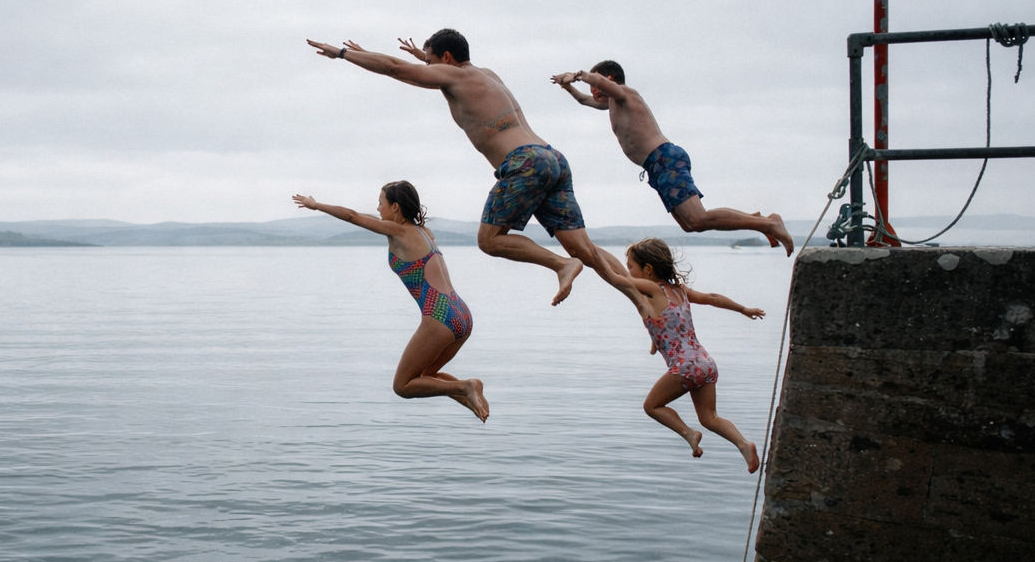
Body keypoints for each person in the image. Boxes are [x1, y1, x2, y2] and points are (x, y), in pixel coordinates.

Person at [307, 29, 637, 307]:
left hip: (524, 164)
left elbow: (394, 68)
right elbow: (412, 67)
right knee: (588, 249)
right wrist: (415, 58)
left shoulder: (454, 75)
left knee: (490, 241)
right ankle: (645, 302)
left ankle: (561, 265)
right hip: (550, 157)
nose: (428, 68)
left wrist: (342, 54)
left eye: (431, 60)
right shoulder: (487, 74)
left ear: (447, 58)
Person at [292, 181, 489, 422]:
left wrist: (317, 205)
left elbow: (354, 217)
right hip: (462, 314)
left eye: (380, 203)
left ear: (395, 207)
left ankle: (466, 387)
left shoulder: (399, 232)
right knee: (427, 376)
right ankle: (469, 394)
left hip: (439, 316)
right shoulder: (425, 232)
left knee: (403, 386)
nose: (377, 208)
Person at [552, 61, 795, 255]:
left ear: (609, 80)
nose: (592, 92)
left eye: (595, 86)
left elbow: (596, 82)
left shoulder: (624, 94)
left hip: (664, 159)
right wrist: (567, 87)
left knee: (698, 218)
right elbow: (584, 100)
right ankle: (756, 220)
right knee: (690, 225)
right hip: (656, 166)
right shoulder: (612, 104)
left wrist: (577, 75)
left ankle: (769, 224)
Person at [608, 237, 764, 472]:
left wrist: (589, 253)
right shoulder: (679, 291)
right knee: (710, 417)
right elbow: (711, 299)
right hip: (706, 364)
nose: (629, 272)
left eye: (631, 266)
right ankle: (743, 444)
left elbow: (615, 278)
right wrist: (743, 309)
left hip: (685, 367)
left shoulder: (653, 288)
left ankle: (689, 434)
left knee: (652, 406)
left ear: (648, 270)